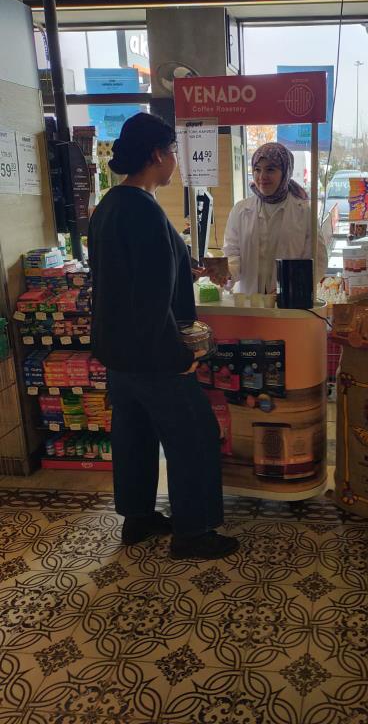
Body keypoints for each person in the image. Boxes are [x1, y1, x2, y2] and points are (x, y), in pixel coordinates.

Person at [88, 112, 238, 560]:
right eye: (173, 151)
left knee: (133, 435)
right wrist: (178, 356)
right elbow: (151, 299)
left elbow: (124, 276)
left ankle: (137, 518)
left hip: (117, 352)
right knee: (195, 434)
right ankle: (193, 532)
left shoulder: (109, 206)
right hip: (153, 353)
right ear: (157, 154)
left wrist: (182, 268)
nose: (175, 160)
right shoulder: (147, 212)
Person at [220, 142, 328, 294]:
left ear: (285, 172)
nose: (262, 177)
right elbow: (232, 254)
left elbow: (317, 261)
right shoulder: (240, 210)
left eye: (270, 169)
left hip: (288, 302)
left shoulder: (304, 212)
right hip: (248, 301)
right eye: (257, 169)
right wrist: (226, 273)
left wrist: (290, 289)